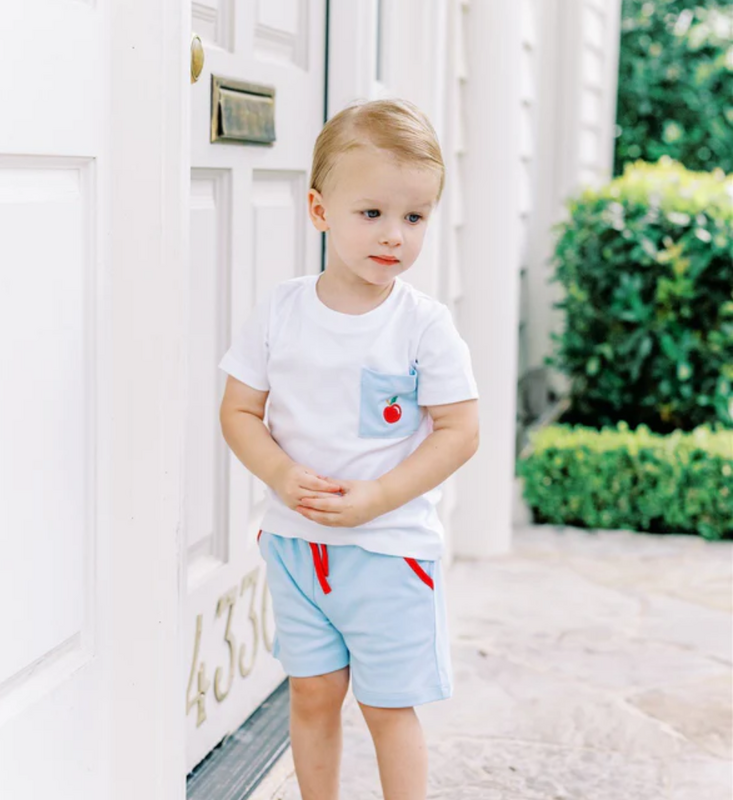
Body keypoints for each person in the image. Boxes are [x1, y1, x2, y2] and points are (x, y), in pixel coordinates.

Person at [218, 97, 480, 800]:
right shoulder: (281, 311)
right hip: (298, 546)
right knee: (311, 693)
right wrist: (279, 471)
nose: (394, 235)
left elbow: (460, 429)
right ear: (319, 210)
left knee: (387, 706)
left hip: (391, 552)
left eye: (414, 217)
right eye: (372, 213)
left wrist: (377, 497)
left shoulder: (423, 326)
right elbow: (240, 410)